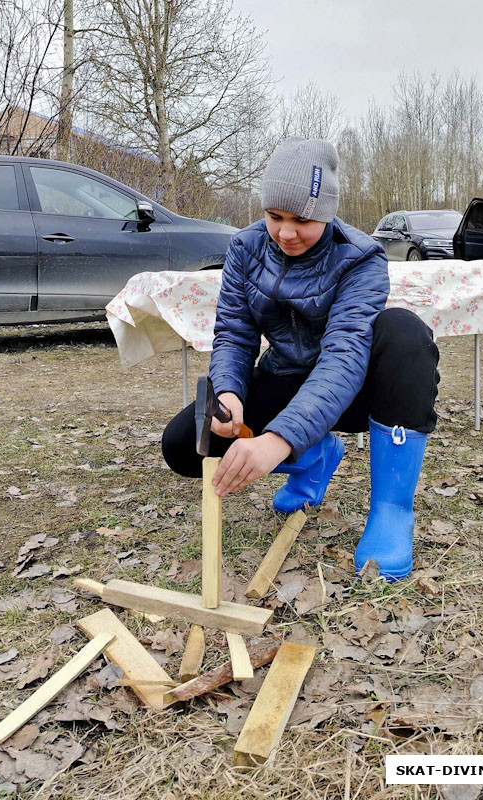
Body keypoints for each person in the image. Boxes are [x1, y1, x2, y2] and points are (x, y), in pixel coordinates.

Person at [162, 137, 439, 582]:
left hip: (355, 391)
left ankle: (391, 511)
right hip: (286, 375)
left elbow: (345, 356)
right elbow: (234, 331)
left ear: (327, 213)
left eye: (303, 220)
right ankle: (315, 456)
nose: (286, 233)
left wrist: (277, 441)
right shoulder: (245, 249)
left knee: (403, 331)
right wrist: (230, 395)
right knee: (182, 445)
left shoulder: (361, 258)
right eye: (275, 217)